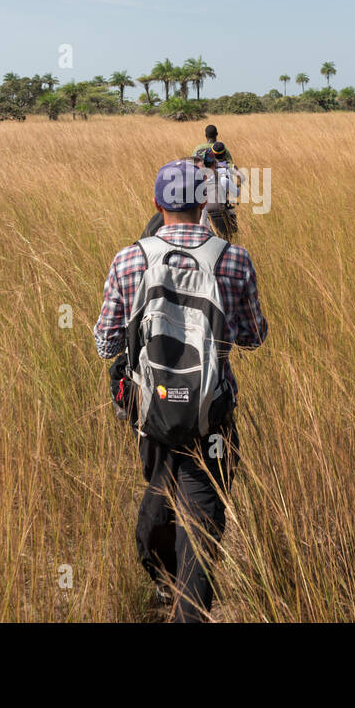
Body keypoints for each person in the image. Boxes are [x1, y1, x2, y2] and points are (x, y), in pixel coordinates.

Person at [95, 159, 268, 622]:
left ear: (157, 203)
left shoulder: (129, 258)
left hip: (152, 413)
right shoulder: (234, 259)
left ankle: (163, 582)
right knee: (202, 514)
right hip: (212, 415)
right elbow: (253, 336)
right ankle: (190, 606)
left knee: (159, 494)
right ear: (204, 203)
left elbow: (105, 341)